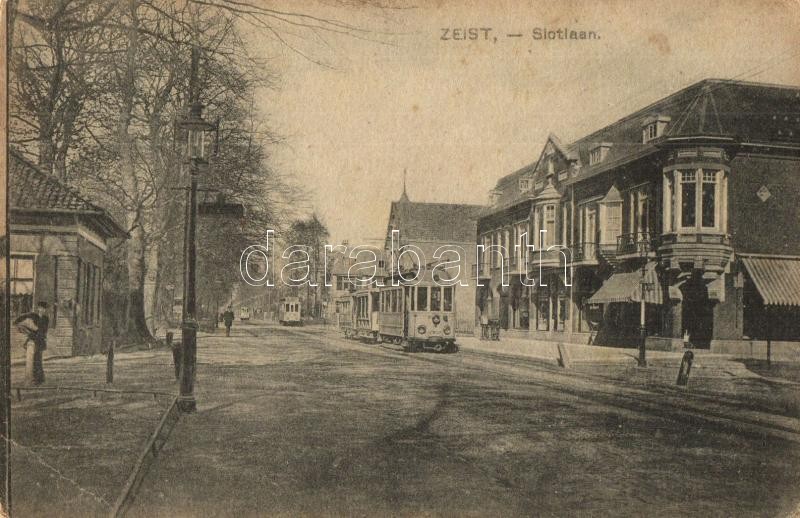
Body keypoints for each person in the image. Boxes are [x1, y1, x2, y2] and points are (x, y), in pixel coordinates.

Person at [14, 301, 49, 385]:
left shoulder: (46, 318)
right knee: (32, 360)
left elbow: (44, 330)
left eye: (43, 308)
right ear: (38, 308)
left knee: (38, 359)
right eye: (40, 308)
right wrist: (16, 322)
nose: (42, 310)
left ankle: (39, 378)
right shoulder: (34, 316)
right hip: (33, 339)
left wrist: (36, 330)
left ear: (45, 310)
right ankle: (34, 378)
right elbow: (23, 317)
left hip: (40, 340)